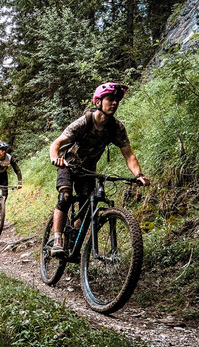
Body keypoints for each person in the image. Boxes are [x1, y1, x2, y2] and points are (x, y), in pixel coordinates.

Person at [49, 82, 150, 255]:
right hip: (68, 163)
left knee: (86, 207)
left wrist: (138, 174)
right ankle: (57, 239)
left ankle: (73, 243)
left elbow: (129, 154)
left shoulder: (116, 128)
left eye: (117, 100)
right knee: (65, 197)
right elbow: (57, 143)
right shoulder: (85, 122)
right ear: (98, 102)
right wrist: (55, 158)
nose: (114, 103)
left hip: (88, 170)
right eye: (110, 99)